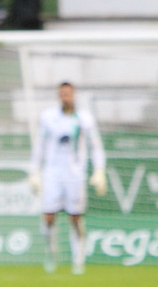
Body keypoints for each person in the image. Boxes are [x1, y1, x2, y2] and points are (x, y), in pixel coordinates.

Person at [29, 82, 106, 275]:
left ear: (74, 96)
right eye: (62, 94)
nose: (66, 97)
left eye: (69, 94)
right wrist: (34, 171)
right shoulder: (48, 117)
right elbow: (39, 145)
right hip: (52, 173)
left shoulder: (84, 119)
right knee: (48, 215)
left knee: (75, 217)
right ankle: (50, 253)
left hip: (75, 175)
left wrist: (99, 170)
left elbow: (96, 146)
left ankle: (78, 259)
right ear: (58, 96)